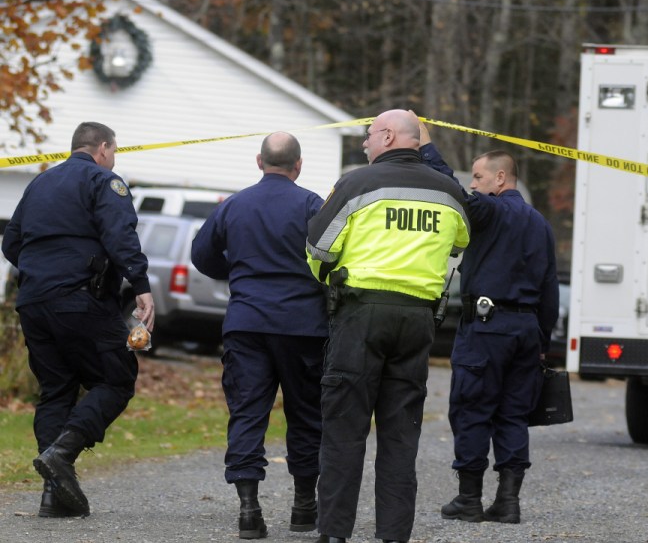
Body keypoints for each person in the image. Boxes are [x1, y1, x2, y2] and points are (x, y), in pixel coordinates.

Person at [306, 109, 470, 543]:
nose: (364, 144)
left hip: (361, 314)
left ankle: (335, 535)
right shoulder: (450, 191)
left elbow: (318, 248)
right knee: (400, 437)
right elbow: (461, 240)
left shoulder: (357, 184)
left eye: (367, 135)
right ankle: (394, 536)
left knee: (344, 430)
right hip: (418, 320)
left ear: (388, 135)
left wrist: (330, 279)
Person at [1, 122, 155, 518]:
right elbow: (120, 234)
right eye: (114, 151)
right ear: (103, 148)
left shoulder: (39, 184)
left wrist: (42, 271)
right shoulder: (104, 181)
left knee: (56, 389)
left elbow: (10, 242)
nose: (113, 158)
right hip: (81, 299)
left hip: (33, 301)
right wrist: (140, 284)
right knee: (116, 378)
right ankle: (63, 453)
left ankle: (54, 497)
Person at [417, 119, 558, 524]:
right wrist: (541, 341)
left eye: (479, 177)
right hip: (527, 332)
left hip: (487, 327)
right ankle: (509, 502)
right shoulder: (541, 224)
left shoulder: (491, 211)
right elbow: (549, 290)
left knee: (472, 409)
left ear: (501, 178)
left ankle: (469, 499)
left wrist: (427, 145)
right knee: (513, 415)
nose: (474, 184)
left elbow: (451, 190)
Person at [191, 131, 328, 540]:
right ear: (298, 165)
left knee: (248, 413)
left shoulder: (233, 205)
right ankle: (304, 507)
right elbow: (335, 257)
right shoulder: (311, 205)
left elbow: (201, 255)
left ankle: (249, 510)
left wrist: (236, 272)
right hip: (303, 326)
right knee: (305, 416)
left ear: (259, 161)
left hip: (247, 323)